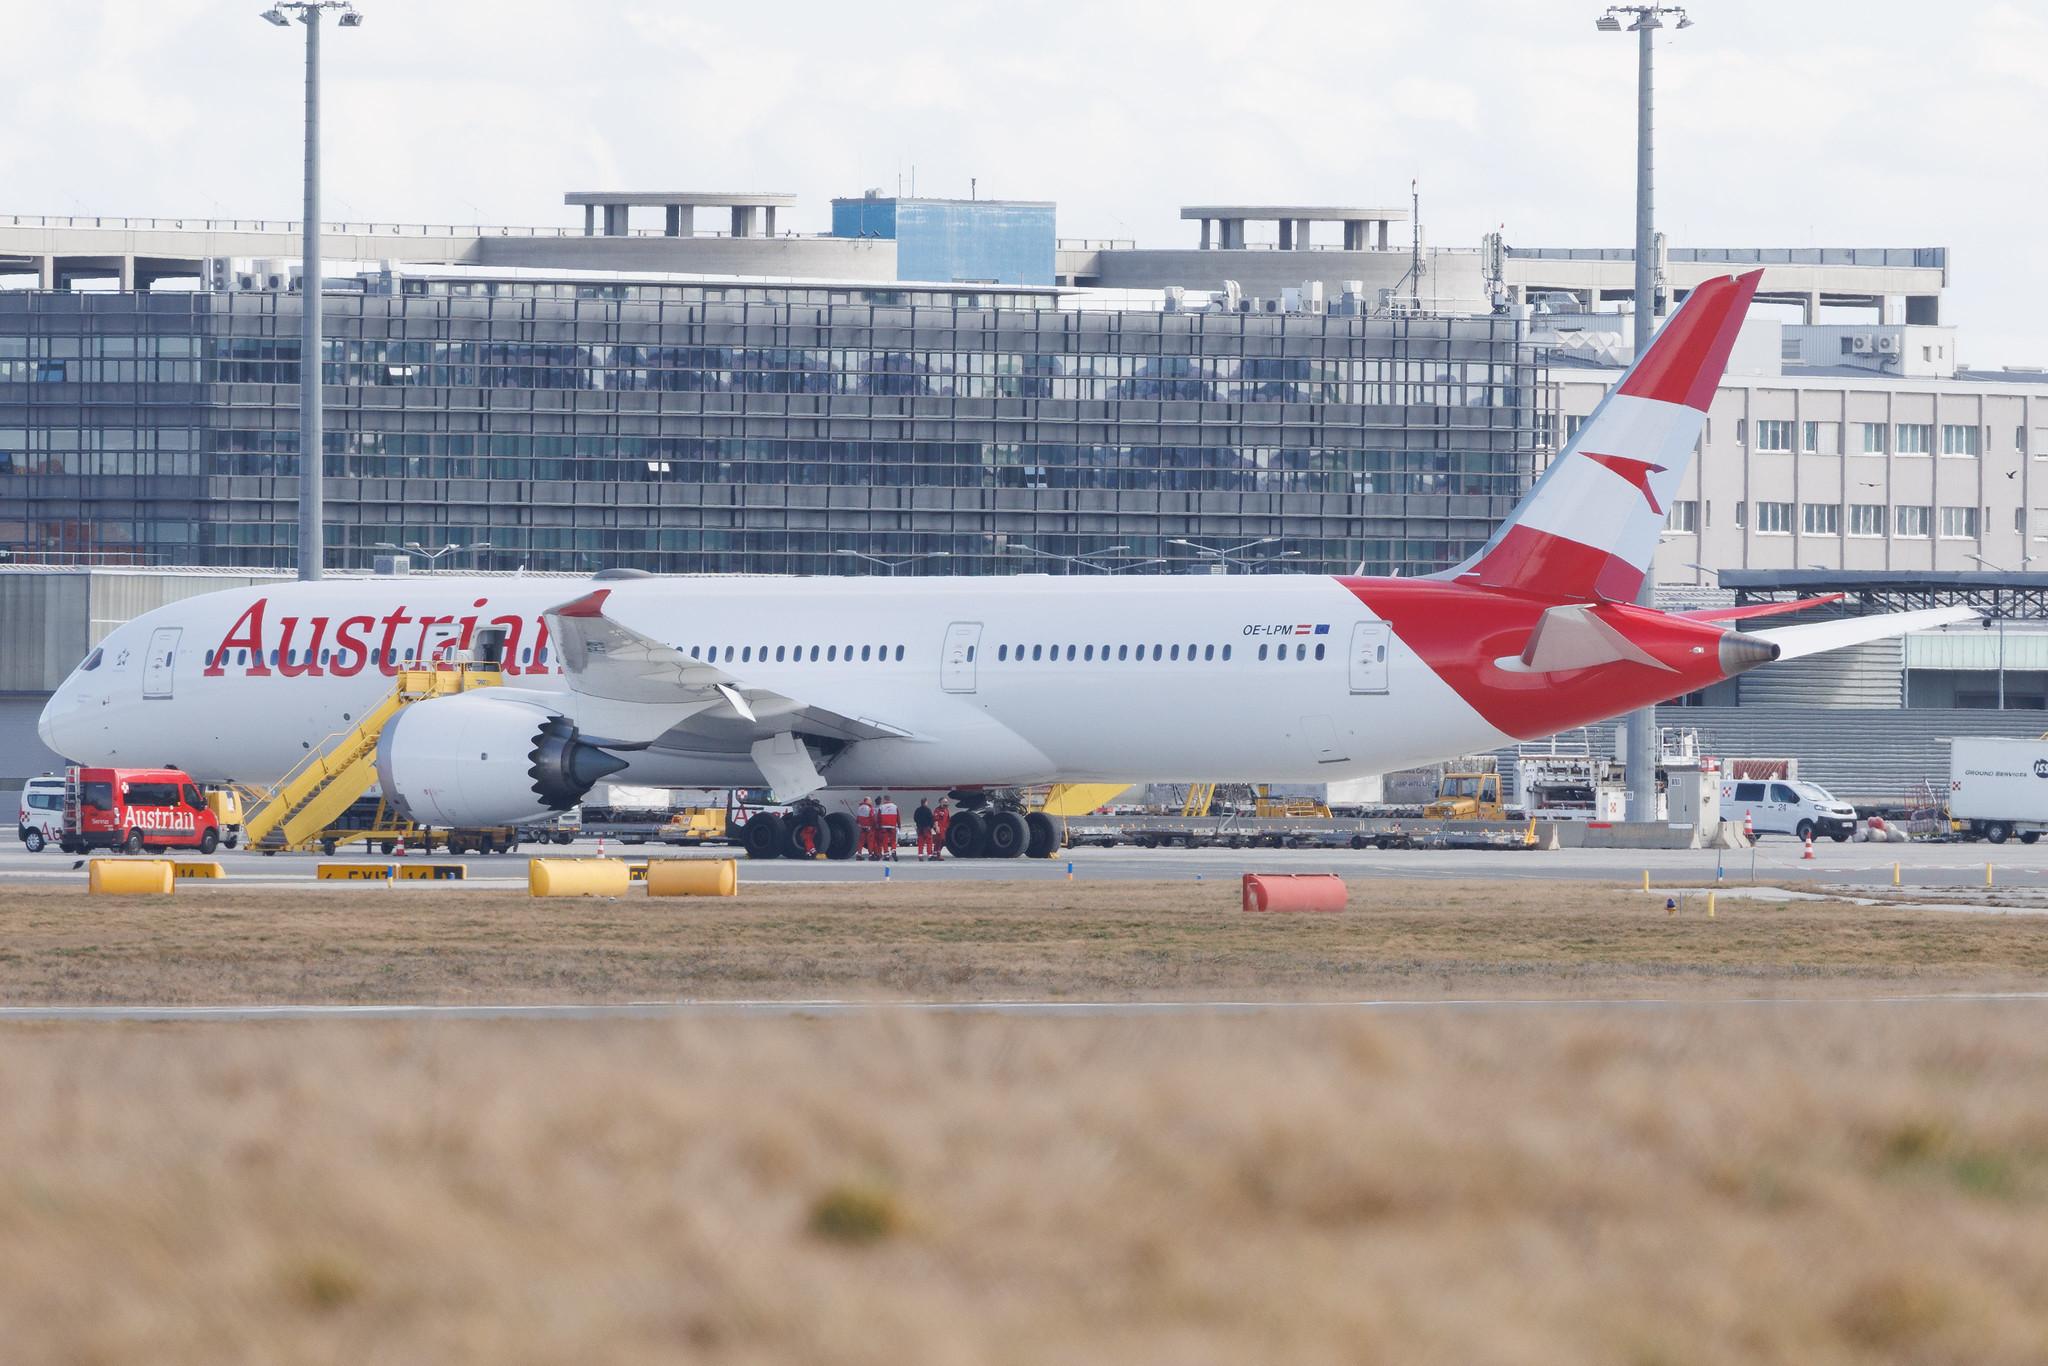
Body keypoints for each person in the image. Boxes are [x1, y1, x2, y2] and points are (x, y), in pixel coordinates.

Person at [877, 793, 900, 860]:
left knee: (885, 841)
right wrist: (899, 824)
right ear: (890, 799)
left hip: (884, 827)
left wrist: (878, 825)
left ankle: (886, 855)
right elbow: (898, 817)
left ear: (884, 800)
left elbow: (879, 817)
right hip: (892, 826)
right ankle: (893, 851)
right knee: (893, 840)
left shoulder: (881, 807)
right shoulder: (895, 806)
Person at [854, 795, 875, 860]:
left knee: (861, 842)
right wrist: (874, 825)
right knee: (870, 842)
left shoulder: (859, 808)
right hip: (868, 828)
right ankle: (870, 855)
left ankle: (859, 854)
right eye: (870, 801)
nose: (871, 802)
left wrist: (858, 823)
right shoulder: (869, 808)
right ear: (867, 801)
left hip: (861, 827)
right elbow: (872, 818)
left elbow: (857, 818)